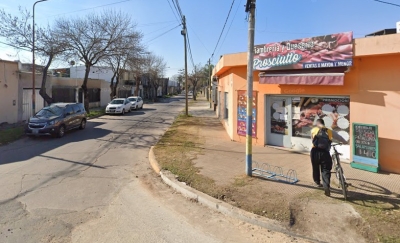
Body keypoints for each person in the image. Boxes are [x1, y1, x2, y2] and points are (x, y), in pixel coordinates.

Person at [310, 118, 333, 196]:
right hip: (325, 153)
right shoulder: (328, 131)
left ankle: (317, 182)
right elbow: (330, 140)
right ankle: (326, 186)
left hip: (315, 151)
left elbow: (312, 140)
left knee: (315, 167)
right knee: (326, 170)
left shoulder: (313, 130)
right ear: (324, 124)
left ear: (317, 123)